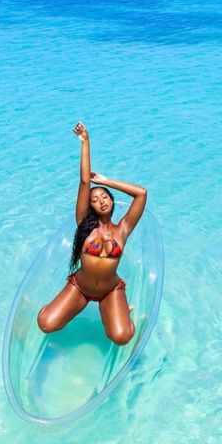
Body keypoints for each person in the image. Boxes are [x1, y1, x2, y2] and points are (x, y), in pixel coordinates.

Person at [36, 122, 147, 345]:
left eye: (104, 197)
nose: (100, 201)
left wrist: (106, 182)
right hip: (80, 287)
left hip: (110, 290)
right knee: (46, 324)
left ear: (112, 200)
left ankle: (124, 312)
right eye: (95, 200)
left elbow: (141, 194)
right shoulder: (84, 226)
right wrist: (85, 141)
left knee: (122, 337)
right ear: (91, 207)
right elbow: (85, 180)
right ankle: (65, 305)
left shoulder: (122, 229)